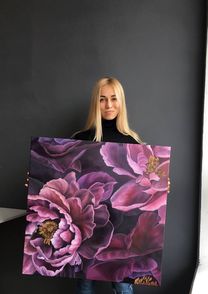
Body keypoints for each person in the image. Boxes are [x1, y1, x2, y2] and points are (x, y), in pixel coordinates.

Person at [72, 76, 142, 294]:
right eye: (102, 99)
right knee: (84, 284)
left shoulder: (133, 141)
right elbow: (67, 181)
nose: (109, 105)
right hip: (86, 224)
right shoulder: (79, 139)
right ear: (96, 103)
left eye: (114, 99)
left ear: (121, 101)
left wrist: (162, 182)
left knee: (123, 285)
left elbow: (142, 189)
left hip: (123, 228)